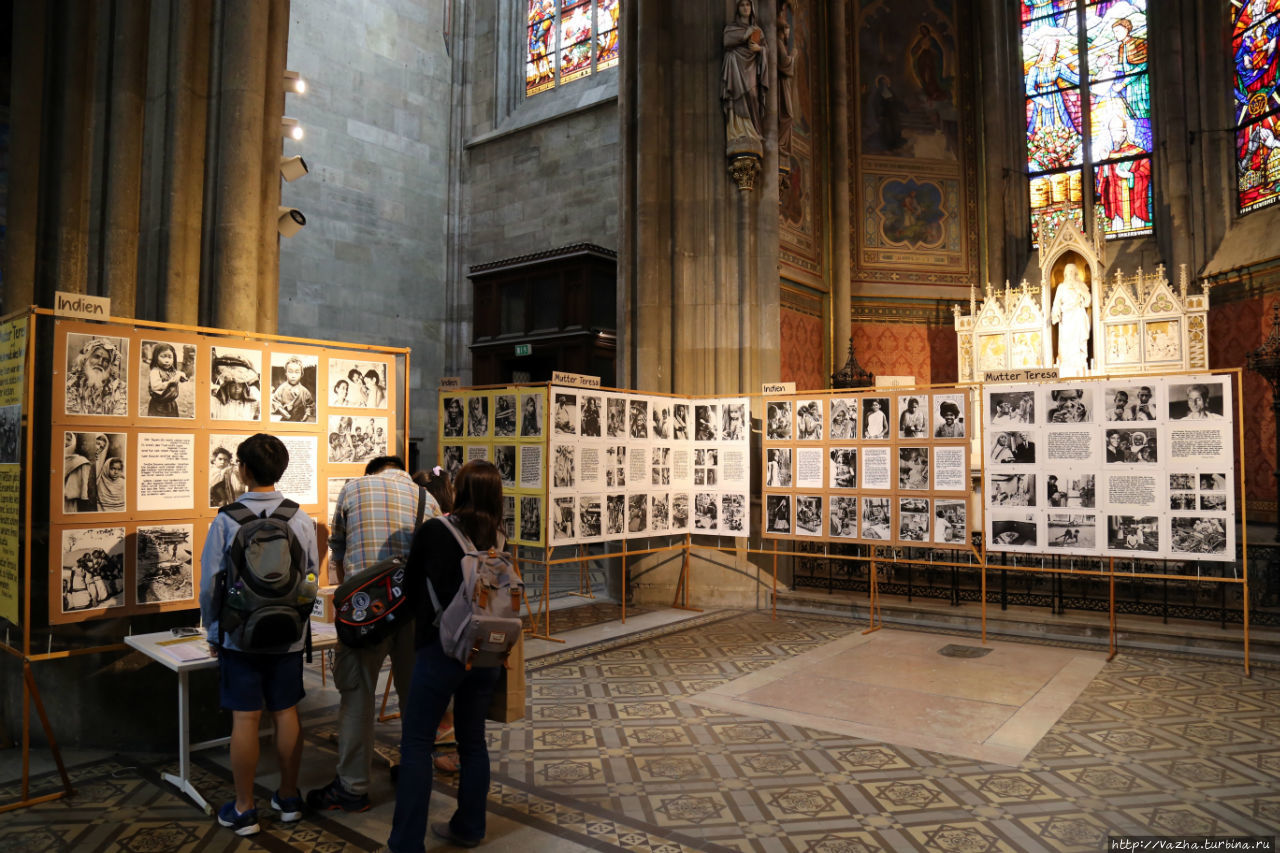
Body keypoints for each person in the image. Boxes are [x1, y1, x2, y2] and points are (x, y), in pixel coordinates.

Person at [198, 433, 318, 837]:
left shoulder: (227, 519)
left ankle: (245, 808)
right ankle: (288, 798)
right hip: (287, 634)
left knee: (245, 717)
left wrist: (214, 629)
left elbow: (212, 584)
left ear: (244, 470)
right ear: (281, 469)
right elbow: (312, 579)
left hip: (239, 635)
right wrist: (297, 622)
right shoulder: (299, 518)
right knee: (286, 711)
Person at [308, 455, 442, 813]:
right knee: (414, 699)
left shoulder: (353, 489)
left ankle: (352, 787)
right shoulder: (427, 499)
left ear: (371, 472)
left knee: (357, 696)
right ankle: (416, 772)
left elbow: (336, 549)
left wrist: (346, 592)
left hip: (364, 613)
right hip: (412, 611)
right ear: (401, 470)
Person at [386, 460, 507, 851]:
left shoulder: (436, 530)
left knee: (417, 743)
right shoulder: (500, 536)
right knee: (473, 742)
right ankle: (470, 827)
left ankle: (406, 843)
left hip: (441, 650)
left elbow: (408, 588)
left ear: (460, 489)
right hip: (486, 651)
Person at [721, 0, 768, 146]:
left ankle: (753, 130)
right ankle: (737, 130)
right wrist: (744, 35)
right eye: (742, 5)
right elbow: (727, 41)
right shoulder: (731, 28)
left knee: (753, 95)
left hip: (751, 66)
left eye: (748, 5)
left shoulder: (757, 31)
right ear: (738, 8)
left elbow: (766, 49)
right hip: (735, 65)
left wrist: (760, 50)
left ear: (752, 8)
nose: (745, 8)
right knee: (736, 96)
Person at [65, 337, 127, 416]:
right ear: (85, 359)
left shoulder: (120, 388)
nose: (100, 362)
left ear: (109, 366)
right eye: (97, 357)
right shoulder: (70, 383)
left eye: (106, 360)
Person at [1051, 262, 1091, 377]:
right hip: (1066, 318)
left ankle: (1079, 362)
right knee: (1066, 341)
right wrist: (1056, 313)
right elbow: (1056, 303)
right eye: (1068, 272)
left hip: (1078, 316)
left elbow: (1088, 300)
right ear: (1065, 274)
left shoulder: (1081, 285)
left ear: (1076, 273)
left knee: (1078, 340)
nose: (1070, 274)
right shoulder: (1061, 287)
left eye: (1072, 271)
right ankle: (1065, 363)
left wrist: (1080, 290)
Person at [211, 353, 262, 420]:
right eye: (233, 385)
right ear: (227, 387)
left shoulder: (252, 404)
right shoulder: (216, 403)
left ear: (244, 387)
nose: (237, 388)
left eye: (240, 385)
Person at [147, 343, 187, 418]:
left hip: (171, 404)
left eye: (170, 357)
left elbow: (178, 374)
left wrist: (182, 376)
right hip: (158, 405)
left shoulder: (171, 371)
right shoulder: (155, 372)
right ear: (156, 357)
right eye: (163, 357)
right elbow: (155, 386)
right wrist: (169, 383)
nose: (167, 361)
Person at [271, 357, 315, 422]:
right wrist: (282, 411)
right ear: (286, 373)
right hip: (285, 421)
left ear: (301, 374)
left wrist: (307, 414)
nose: (293, 375)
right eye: (290, 372)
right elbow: (274, 401)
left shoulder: (304, 391)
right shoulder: (281, 389)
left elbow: (310, 405)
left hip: (300, 421)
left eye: (297, 372)